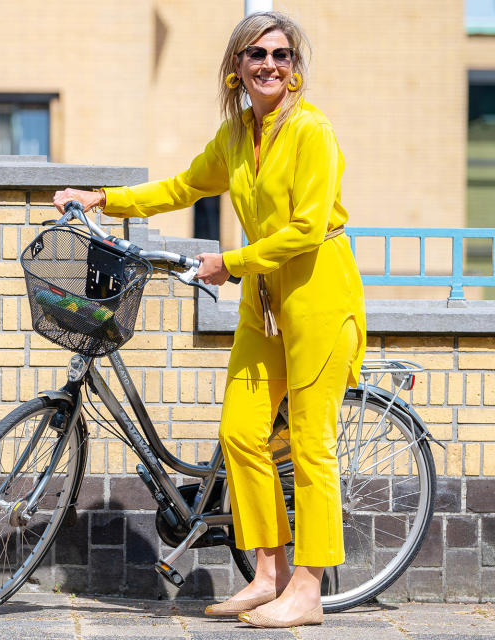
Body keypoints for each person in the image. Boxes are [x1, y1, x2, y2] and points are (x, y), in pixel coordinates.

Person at [53, 10, 365, 630]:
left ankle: (308, 590)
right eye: (256, 55)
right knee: (242, 433)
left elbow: (307, 228)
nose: (270, 64)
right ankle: (269, 573)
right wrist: (102, 199)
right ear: (236, 70)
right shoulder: (235, 139)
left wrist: (233, 261)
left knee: (309, 446)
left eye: (281, 55)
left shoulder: (312, 132)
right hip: (264, 305)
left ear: (295, 69)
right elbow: (181, 186)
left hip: (317, 299)